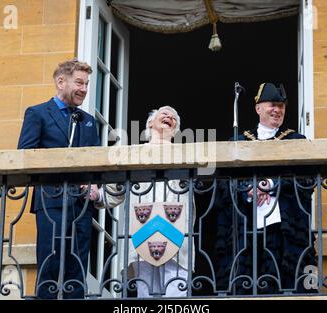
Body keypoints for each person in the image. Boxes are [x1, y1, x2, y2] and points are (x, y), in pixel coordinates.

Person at [214, 83, 316, 294]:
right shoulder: (239, 141)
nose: (277, 110)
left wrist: (269, 185)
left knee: (284, 281)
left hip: (284, 226)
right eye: (272, 105)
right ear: (258, 108)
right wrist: (247, 189)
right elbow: (224, 182)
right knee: (247, 281)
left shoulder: (295, 140)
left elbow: (306, 179)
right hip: (246, 226)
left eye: (281, 106)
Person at [17, 58, 101, 299]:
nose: (84, 89)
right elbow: (26, 156)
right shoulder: (38, 113)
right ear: (61, 81)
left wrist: (93, 186)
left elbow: (96, 163)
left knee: (78, 266)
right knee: (50, 262)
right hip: (50, 200)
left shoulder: (88, 121)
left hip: (81, 205)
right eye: (79, 82)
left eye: (86, 84)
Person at [95, 106, 196, 298]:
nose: (169, 116)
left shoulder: (187, 154)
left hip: (176, 233)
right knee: (145, 294)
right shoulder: (133, 153)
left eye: (173, 116)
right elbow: (115, 191)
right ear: (150, 122)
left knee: (176, 294)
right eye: (164, 113)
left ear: (175, 130)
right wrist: (96, 195)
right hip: (142, 232)